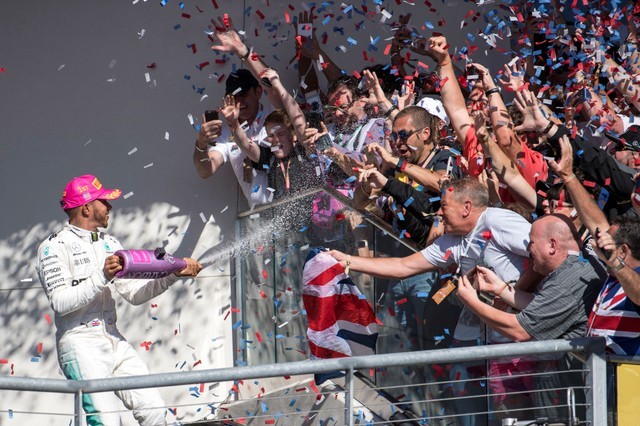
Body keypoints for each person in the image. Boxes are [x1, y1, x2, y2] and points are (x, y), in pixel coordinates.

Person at [36, 174, 202, 425]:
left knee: (157, 414)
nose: (110, 207)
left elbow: (134, 294)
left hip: (114, 339)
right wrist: (102, 276)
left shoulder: (110, 243)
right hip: (80, 345)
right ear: (87, 207)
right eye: (104, 201)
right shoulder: (53, 247)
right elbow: (60, 302)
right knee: (106, 422)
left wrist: (172, 275)